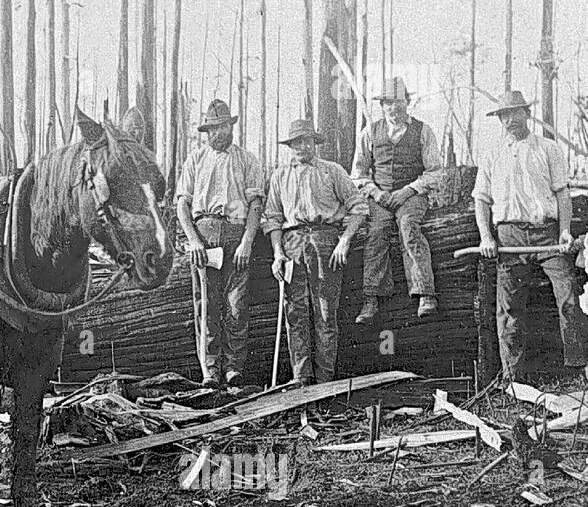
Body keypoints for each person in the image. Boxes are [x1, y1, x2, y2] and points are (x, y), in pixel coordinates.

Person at [473, 90, 588, 382]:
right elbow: (481, 200)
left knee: (569, 298)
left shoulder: (548, 149)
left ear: (527, 113)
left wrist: (563, 230)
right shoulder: (492, 153)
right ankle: (513, 380)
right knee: (509, 309)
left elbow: (563, 194)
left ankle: (578, 370)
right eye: (504, 115)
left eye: (515, 112)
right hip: (509, 238)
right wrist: (487, 237)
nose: (510, 119)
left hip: (547, 235)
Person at [263, 119, 368, 385]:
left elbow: (358, 207)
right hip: (293, 243)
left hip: (325, 242)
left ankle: (325, 380)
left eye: (307, 141)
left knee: (325, 313)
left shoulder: (332, 171)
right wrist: (278, 253)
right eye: (297, 142)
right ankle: (301, 378)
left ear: (315, 143)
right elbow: (273, 219)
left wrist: (344, 240)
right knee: (295, 313)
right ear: (290, 146)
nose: (302, 147)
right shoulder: (279, 176)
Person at [175, 99, 265, 387]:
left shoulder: (247, 160)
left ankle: (233, 368)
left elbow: (255, 206)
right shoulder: (196, 160)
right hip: (204, 234)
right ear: (206, 132)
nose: (218, 133)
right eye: (212, 129)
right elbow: (182, 205)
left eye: (223, 126)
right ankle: (210, 370)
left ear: (231, 127)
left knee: (236, 305)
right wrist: (193, 241)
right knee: (207, 305)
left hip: (235, 234)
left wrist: (247, 242)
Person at [352, 76, 442, 322]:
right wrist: (377, 192)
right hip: (379, 196)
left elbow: (434, 171)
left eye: (398, 102)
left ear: (408, 102)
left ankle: (425, 293)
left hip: (411, 195)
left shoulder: (423, 130)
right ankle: (371, 298)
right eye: (388, 103)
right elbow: (358, 174)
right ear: (382, 106)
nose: (394, 108)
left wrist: (409, 190)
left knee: (408, 226)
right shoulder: (370, 132)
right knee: (376, 231)